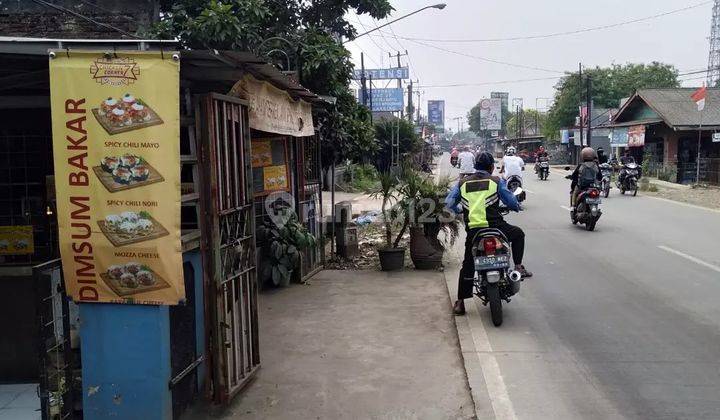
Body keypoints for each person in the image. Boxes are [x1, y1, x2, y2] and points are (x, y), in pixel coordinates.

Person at [445, 152, 532, 316]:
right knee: (518, 234)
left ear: (475, 166)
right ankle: (518, 266)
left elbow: (449, 203)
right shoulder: (496, 181)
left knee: (468, 264)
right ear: (492, 167)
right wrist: (515, 207)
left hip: (474, 231)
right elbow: (511, 201)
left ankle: (460, 302)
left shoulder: (462, 183)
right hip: (497, 227)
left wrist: (459, 210)